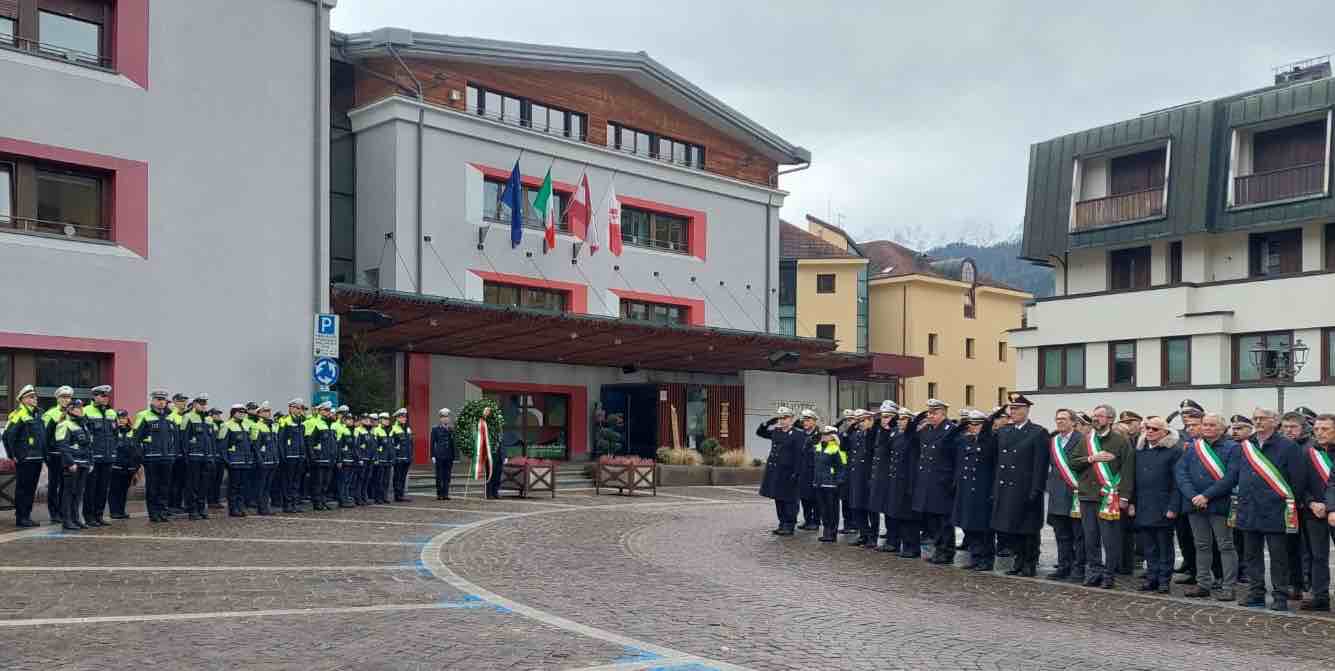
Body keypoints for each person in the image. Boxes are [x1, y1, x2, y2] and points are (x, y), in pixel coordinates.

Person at [1236, 407, 1302, 610]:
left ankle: (1280, 596)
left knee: (1278, 557)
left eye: (1262, 418)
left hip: (1276, 509)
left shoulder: (1288, 447)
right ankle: (1256, 593)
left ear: (1275, 421)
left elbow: (1297, 480)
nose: (1257, 422)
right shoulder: (1247, 445)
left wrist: (1288, 504)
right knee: (1251, 555)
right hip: (1249, 508)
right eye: (1255, 418)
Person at [1174, 413, 1240, 601]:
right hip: (1195, 504)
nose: (1208, 428)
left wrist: (1206, 496)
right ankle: (1203, 583)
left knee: (1225, 545)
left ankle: (1228, 586)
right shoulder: (1194, 447)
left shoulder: (1233, 448)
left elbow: (1231, 477)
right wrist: (1193, 495)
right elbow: (1181, 472)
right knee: (1201, 545)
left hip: (1219, 504)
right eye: (1205, 424)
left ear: (1221, 428)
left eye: (1212, 425)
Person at [1069, 404, 1135, 589]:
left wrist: (1125, 497)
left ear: (1110, 419)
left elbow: (1128, 470)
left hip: (1109, 497)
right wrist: (1091, 458)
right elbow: (1072, 462)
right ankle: (1095, 572)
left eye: (1100, 416)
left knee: (1110, 539)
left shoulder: (1121, 441)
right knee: (1090, 538)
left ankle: (1109, 575)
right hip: (1087, 497)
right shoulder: (1086, 440)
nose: (1095, 419)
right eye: (1094, 416)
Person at [990, 394, 1049, 577]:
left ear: (1026, 410)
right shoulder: (1004, 431)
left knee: (1028, 529)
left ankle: (1029, 562)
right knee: (1011, 528)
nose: (1013, 412)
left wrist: (1036, 490)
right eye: (1011, 409)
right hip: (1006, 488)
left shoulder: (1038, 432)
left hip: (1025, 488)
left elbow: (1040, 465)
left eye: (1017, 409)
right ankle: (1018, 561)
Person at [1133, 416, 1182, 593]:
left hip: (1163, 506)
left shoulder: (1173, 451)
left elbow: (1178, 483)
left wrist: (1173, 507)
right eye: (1147, 428)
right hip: (1144, 505)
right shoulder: (1140, 450)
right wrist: (1132, 502)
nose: (1150, 432)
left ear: (1165, 432)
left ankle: (1163, 580)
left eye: (1155, 429)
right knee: (1149, 546)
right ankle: (1152, 577)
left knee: (1164, 546)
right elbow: (1134, 480)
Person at [915, 399, 962, 565]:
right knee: (932, 519)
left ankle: (946, 551)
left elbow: (956, 459)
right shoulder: (926, 430)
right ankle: (938, 549)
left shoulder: (952, 431)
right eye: (929, 413)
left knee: (944, 520)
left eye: (934, 413)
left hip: (943, 482)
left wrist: (953, 481)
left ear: (943, 414)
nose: (931, 416)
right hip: (928, 482)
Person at [1298, 413, 1335, 611]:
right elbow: (1298, 484)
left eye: (1325, 429)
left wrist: (1330, 507)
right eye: (1317, 429)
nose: (1319, 433)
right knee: (1317, 555)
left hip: (1333, 511)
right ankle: (1320, 596)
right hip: (1314, 512)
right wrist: (1311, 503)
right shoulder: (1307, 452)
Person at [1044, 408, 1085, 583]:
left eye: (1064, 419)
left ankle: (1079, 569)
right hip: (1056, 495)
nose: (1059, 422)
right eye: (1057, 419)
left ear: (1073, 422)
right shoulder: (1053, 441)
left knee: (1078, 536)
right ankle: (1063, 566)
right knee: (1061, 535)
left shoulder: (1082, 440)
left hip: (1075, 494)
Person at [955, 409, 997, 571]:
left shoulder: (991, 441)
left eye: (977, 424)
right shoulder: (966, 440)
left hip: (983, 490)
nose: (973, 427)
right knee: (969, 526)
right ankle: (975, 556)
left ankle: (986, 559)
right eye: (970, 424)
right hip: (966, 489)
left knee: (984, 528)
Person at [4, 385, 47, 527]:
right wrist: (13, 455)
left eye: (35, 396)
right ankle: (21, 517)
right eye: (30, 397)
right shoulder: (19, 414)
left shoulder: (38, 413)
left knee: (31, 488)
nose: (34, 399)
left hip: (37, 457)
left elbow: (42, 436)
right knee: (23, 489)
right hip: (25, 458)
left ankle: (26, 516)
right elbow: (7, 436)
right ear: (22, 399)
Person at [134, 390, 176, 523]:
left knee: (164, 486)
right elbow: (135, 439)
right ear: (152, 401)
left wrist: (173, 453)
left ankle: (163, 511)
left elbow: (175, 438)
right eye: (158, 399)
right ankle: (153, 513)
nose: (161, 402)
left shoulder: (170, 416)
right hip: (151, 458)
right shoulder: (144, 415)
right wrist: (141, 457)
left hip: (167, 457)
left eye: (163, 400)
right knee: (153, 487)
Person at [757, 407, 801, 535]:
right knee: (779, 498)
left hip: (789, 472)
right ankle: (782, 523)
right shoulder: (777, 431)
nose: (782, 421)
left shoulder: (798, 434)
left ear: (791, 419)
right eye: (780, 418)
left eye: (785, 418)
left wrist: (797, 472)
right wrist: (768, 423)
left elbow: (799, 455)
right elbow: (760, 433)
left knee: (790, 500)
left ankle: (790, 525)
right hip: (776, 472)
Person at [865, 401, 900, 552]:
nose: (884, 419)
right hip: (879, 476)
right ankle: (889, 539)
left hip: (890, 477)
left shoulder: (896, 432)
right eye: (883, 416)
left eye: (887, 416)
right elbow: (871, 449)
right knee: (884, 509)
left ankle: (894, 540)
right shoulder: (880, 430)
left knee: (892, 511)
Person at [53, 400, 92, 531]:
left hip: (84, 463)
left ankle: (76, 518)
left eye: (81, 408)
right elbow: (62, 446)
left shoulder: (83, 425)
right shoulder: (64, 424)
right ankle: (67, 520)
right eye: (77, 408)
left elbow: (88, 446)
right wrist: (70, 462)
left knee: (79, 493)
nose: (80, 410)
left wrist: (90, 462)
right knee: (68, 492)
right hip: (72, 464)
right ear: (70, 410)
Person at [82, 385, 117, 527]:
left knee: (103, 489)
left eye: (107, 396)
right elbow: (83, 435)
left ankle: (99, 515)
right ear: (95, 396)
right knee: (91, 489)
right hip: (93, 457)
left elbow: (115, 435)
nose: (105, 398)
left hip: (108, 457)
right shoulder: (86, 411)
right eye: (102, 396)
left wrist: (113, 452)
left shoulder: (111, 413)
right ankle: (89, 517)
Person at [844, 410, 877, 547]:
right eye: (859, 421)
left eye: (863, 420)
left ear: (870, 420)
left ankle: (873, 537)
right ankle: (863, 534)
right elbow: (844, 447)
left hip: (868, 476)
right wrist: (851, 428)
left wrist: (871, 429)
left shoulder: (874, 434)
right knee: (857, 507)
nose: (860, 423)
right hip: (856, 476)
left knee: (871, 509)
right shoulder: (856, 434)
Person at [41, 385, 74, 523]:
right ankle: (54, 513)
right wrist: (46, 455)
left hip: (68, 454)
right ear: (58, 398)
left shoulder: (73, 413)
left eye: (68, 397)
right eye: (63, 397)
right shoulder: (50, 414)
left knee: (66, 485)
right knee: (54, 485)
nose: (66, 400)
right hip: (54, 454)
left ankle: (63, 511)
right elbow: (44, 437)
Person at [181, 395, 214, 520]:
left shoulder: (209, 419)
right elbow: (184, 438)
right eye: (200, 403)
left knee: (204, 485)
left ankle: (201, 508)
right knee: (193, 485)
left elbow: (212, 440)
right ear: (194, 404)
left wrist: (212, 455)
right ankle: (193, 509)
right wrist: (186, 456)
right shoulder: (188, 417)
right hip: (193, 457)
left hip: (207, 457)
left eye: (205, 403)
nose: (203, 406)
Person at [813, 425, 848, 543]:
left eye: (827, 434)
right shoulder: (817, 446)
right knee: (823, 510)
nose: (824, 436)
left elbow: (842, 466)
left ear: (833, 436)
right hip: (819, 483)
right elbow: (806, 447)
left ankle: (832, 533)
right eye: (823, 434)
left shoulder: (837, 448)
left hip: (831, 484)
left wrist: (839, 480)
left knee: (832, 510)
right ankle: (826, 531)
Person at [218, 404, 253, 517]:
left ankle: (240, 506)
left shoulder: (246, 426)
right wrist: (227, 461)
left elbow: (250, 444)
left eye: (243, 412)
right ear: (233, 413)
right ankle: (233, 508)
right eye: (239, 412)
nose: (242, 414)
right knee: (233, 486)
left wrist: (250, 458)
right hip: (234, 461)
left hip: (245, 461)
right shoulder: (226, 425)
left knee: (242, 486)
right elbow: (222, 446)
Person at [304, 402, 337, 511]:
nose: (328, 412)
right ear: (320, 411)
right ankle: (317, 502)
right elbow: (309, 442)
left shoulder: (331, 424)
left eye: (329, 410)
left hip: (329, 457)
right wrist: (312, 456)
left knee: (326, 482)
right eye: (325, 410)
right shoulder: (315, 423)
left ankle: (323, 501)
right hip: (319, 458)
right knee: (318, 481)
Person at [277, 399, 307, 513]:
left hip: (299, 455)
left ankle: (295, 503)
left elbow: (302, 439)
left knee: (296, 481)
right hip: (289, 456)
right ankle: (287, 504)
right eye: (297, 408)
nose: (299, 410)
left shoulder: (301, 421)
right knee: (288, 481)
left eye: (300, 408)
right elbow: (280, 440)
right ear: (290, 408)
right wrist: (283, 455)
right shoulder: (285, 421)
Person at [250, 402, 279, 515]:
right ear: (259, 413)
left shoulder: (272, 425)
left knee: (268, 486)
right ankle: (261, 507)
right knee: (261, 485)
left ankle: (266, 506)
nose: (268, 413)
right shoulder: (256, 426)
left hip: (272, 460)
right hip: (263, 460)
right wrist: (259, 460)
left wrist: (276, 458)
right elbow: (255, 446)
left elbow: (275, 445)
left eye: (269, 411)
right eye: (265, 411)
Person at [107, 410, 137, 519]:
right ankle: (114, 511)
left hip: (128, 466)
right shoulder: (112, 431)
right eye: (119, 418)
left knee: (124, 490)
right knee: (114, 489)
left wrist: (135, 466)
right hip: (115, 465)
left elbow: (135, 449)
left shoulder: (132, 431)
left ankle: (121, 511)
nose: (121, 420)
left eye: (124, 418)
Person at [795, 409, 821, 531]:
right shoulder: (801, 435)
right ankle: (807, 520)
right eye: (804, 420)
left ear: (814, 421)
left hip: (815, 471)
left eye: (808, 420)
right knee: (804, 497)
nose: (805, 422)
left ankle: (816, 521)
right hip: (803, 470)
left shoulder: (820, 435)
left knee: (815, 498)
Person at [167, 393, 191, 515]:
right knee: (172, 481)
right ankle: (170, 505)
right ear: (175, 402)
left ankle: (177, 504)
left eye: (185, 401)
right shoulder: (171, 417)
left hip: (185, 453)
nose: (183, 403)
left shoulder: (187, 416)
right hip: (174, 453)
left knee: (181, 481)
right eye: (181, 401)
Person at [390, 408, 414, 502]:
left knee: (403, 477)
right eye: (402, 417)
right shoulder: (394, 428)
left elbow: (411, 444)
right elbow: (392, 444)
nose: (404, 418)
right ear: (397, 418)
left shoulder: (408, 429)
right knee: (397, 477)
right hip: (398, 457)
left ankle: (401, 494)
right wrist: (394, 456)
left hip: (407, 457)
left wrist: (411, 455)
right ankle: (397, 495)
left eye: (405, 417)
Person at [431, 408, 456, 500]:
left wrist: (453, 455)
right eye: (443, 417)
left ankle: (446, 493)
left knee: (447, 476)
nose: (445, 419)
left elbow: (453, 443)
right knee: (439, 475)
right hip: (439, 455)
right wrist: (432, 455)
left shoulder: (451, 429)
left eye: (447, 417)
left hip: (449, 455)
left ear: (449, 418)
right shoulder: (435, 429)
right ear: (440, 418)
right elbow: (432, 443)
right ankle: (439, 493)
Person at [335, 410, 358, 507]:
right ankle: (342, 499)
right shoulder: (342, 430)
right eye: (348, 419)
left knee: (348, 481)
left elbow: (353, 447)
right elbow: (338, 447)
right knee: (342, 481)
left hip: (350, 459)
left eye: (352, 419)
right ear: (344, 420)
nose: (351, 421)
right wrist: (339, 460)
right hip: (344, 460)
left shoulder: (350, 430)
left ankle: (346, 497)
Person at [483, 407, 505, 499]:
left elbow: (503, 445)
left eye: (500, 421)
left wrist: (505, 456)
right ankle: (489, 493)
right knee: (490, 475)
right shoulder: (490, 431)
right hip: (491, 456)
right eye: (498, 421)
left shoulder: (500, 432)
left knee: (497, 475)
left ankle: (495, 492)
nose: (499, 423)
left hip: (499, 456)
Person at [370, 412, 391, 503]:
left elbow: (390, 446)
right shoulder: (376, 430)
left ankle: (384, 496)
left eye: (388, 419)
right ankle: (377, 497)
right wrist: (376, 458)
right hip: (380, 458)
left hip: (387, 459)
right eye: (385, 419)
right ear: (380, 420)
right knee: (379, 479)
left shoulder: (388, 430)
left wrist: (391, 457)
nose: (387, 421)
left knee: (386, 480)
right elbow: (375, 446)